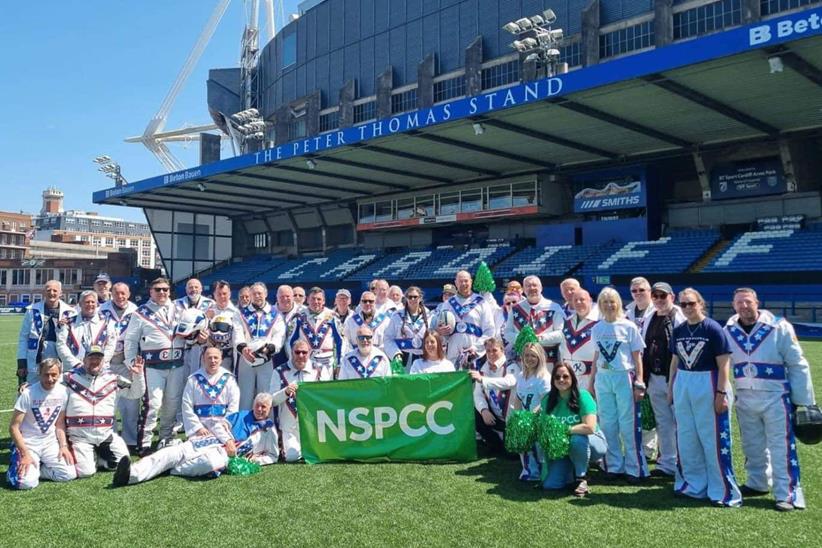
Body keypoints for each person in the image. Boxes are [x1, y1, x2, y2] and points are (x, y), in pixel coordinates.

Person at [725, 287, 815, 511]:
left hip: (776, 396)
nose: (744, 306)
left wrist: (804, 400)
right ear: (733, 305)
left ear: (757, 302)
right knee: (752, 444)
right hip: (745, 396)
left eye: (748, 301)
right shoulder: (728, 329)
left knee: (781, 446)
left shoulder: (778, 326)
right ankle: (757, 483)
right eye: (739, 303)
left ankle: (788, 494)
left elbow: (797, 363)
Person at [668, 287, 741, 507]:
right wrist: (671, 387)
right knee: (687, 436)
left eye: (691, 303)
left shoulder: (713, 328)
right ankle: (693, 484)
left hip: (708, 381)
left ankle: (722, 490)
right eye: (684, 304)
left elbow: (724, 363)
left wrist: (721, 392)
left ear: (700, 303)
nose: (688, 308)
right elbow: (674, 361)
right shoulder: (679, 330)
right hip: (684, 381)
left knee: (712, 437)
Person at [113, 392, 279, 486]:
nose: (259, 409)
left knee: (212, 464)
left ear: (270, 409)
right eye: (257, 405)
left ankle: (172, 470)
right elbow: (218, 426)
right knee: (172, 452)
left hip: (224, 456)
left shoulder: (269, 429)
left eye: (264, 406)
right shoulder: (241, 415)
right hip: (209, 442)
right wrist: (228, 440)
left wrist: (256, 461)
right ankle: (129, 474)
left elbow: (273, 456)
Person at [590, 287, 648, 482]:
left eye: (612, 301)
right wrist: (591, 382)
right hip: (603, 378)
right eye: (604, 302)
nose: (609, 305)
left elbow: (637, 356)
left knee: (628, 423)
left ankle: (634, 468)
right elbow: (596, 356)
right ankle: (613, 465)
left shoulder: (629, 326)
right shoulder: (597, 328)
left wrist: (639, 380)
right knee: (607, 422)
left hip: (624, 376)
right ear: (600, 305)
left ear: (619, 303)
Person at [123, 277, 186, 455]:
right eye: (157, 289)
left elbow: (190, 332)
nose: (162, 293)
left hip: (177, 364)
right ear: (150, 291)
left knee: (172, 404)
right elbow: (131, 340)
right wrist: (131, 363)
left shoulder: (180, 310)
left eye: (165, 289)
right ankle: (144, 443)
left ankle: (166, 438)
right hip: (152, 365)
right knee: (153, 404)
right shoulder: (141, 312)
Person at [65, 346, 146, 477]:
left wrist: (138, 376)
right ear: (84, 360)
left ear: (103, 361)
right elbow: (49, 384)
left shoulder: (114, 379)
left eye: (98, 358)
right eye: (91, 358)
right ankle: (91, 456)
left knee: (124, 461)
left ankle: (100, 460)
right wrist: (27, 385)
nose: (95, 361)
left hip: (106, 435)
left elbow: (136, 393)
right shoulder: (69, 378)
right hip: (80, 436)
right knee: (86, 472)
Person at [7, 358, 76, 489]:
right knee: (25, 483)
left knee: (68, 474)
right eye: (46, 374)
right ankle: (17, 467)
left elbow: (60, 423)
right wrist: (25, 453)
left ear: (60, 374)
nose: (50, 379)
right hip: (28, 443)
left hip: (50, 442)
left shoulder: (63, 392)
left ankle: (39, 470)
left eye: (54, 375)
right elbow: (13, 427)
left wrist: (63, 446)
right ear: (39, 373)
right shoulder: (28, 393)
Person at [541, 362, 607, 497]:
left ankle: (582, 477)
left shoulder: (583, 396)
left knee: (577, 439)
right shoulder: (548, 399)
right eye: (557, 377)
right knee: (551, 485)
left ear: (572, 378)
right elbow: (545, 430)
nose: (561, 380)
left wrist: (564, 429)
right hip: (564, 447)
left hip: (593, 442)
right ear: (553, 380)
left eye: (565, 376)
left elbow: (589, 427)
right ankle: (571, 470)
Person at [640, 282, 685, 476]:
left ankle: (684, 464)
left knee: (681, 422)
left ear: (672, 297)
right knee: (663, 422)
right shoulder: (650, 317)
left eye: (663, 296)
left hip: (674, 377)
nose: (659, 299)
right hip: (655, 378)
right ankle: (667, 463)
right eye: (656, 296)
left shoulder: (679, 317)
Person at [271, 339, 331, 462]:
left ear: (309, 353)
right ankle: (285, 448)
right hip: (290, 427)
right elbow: (272, 400)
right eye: (297, 352)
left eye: (304, 352)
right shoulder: (279, 371)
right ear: (291, 352)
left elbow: (327, 396)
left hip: (313, 425)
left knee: (320, 456)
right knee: (292, 457)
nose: (301, 356)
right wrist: (285, 392)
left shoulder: (320, 370)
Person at [99, 282, 140, 451]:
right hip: (106, 363)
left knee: (131, 403)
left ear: (129, 294)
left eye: (123, 293)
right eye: (116, 293)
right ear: (111, 293)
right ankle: (112, 440)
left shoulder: (135, 310)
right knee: (108, 403)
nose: (120, 296)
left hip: (127, 362)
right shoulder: (101, 309)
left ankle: (130, 440)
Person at [236, 282, 286, 410]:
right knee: (244, 394)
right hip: (246, 359)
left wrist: (269, 349)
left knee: (265, 393)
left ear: (266, 294)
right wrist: (243, 349)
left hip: (266, 359)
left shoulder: (276, 314)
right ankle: (244, 426)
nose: (257, 296)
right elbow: (237, 333)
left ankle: (266, 425)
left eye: (260, 293)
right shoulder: (241, 313)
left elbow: (279, 335)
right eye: (254, 294)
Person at [17, 280, 74, 385]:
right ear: (44, 292)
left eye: (55, 290)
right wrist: (21, 362)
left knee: (58, 390)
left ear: (61, 293)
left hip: (60, 358)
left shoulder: (71, 313)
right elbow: (23, 338)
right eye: (48, 290)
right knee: (31, 390)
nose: (51, 293)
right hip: (35, 358)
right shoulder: (32, 310)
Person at [434, 270, 496, 366]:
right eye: (460, 281)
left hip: (476, 355)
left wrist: (476, 348)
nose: (463, 284)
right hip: (453, 355)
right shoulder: (448, 304)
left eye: (466, 281)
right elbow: (441, 330)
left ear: (471, 282)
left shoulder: (481, 302)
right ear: (456, 283)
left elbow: (490, 330)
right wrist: (441, 333)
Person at [510, 342, 552, 481]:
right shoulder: (521, 376)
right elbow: (517, 398)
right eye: (526, 355)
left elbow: (545, 402)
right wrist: (517, 417)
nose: (529, 358)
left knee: (538, 447)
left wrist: (531, 417)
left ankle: (540, 471)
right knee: (523, 441)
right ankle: (528, 470)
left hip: (539, 418)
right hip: (525, 418)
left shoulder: (543, 378)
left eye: (533, 355)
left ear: (540, 357)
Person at [469, 338, 518, 455]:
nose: (491, 354)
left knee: (511, 456)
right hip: (494, 415)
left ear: (502, 350)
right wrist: (483, 410)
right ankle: (494, 444)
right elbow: (477, 394)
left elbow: (509, 382)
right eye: (488, 351)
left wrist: (483, 380)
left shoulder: (511, 365)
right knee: (474, 413)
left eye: (494, 350)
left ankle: (503, 446)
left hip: (510, 419)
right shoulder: (483, 368)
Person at [181, 347, 241, 443]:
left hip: (223, 426)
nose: (213, 361)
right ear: (203, 360)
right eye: (209, 358)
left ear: (221, 359)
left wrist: (226, 423)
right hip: (200, 427)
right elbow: (186, 406)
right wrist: (198, 428)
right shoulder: (193, 380)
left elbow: (233, 405)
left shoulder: (230, 379)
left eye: (216, 358)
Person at [504, 275, 564, 365]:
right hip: (523, 363)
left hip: (548, 362)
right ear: (523, 290)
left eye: (534, 285)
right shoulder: (515, 309)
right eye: (528, 286)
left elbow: (561, 334)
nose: (532, 288)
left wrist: (537, 339)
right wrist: (523, 339)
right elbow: (507, 333)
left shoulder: (554, 307)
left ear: (541, 288)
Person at [288, 287, 345, 379]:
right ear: (307, 300)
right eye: (313, 299)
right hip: (306, 360)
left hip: (327, 361)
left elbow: (340, 342)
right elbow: (291, 342)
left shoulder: (332, 316)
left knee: (327, 390)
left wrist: (339, 364)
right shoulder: (298, 317)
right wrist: (293, 361)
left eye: (319, 299)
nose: (316, 302)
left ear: (324, 301)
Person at [56, 290, 116, 372]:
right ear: (80, 304)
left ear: (97, 304)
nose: (90, 304)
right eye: (87, 302)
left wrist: (101, 363)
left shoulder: (107, 322)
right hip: (73, 369)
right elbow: (61, 345)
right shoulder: (68, 323)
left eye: (93, 302)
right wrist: (76, 364)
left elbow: (111, 345)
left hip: (99, 369)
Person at [559, 289, 599, 392]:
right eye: (575, 300)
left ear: (590, 300)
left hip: (590, 377)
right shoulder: (567, 322)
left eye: (582, 300)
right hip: (569, 377)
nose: (578, 303)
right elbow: (562, 348)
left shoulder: (599, 322)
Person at [174, 278, 214, 377]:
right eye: (190, 287)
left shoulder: (211, 304)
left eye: (196, 287)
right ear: (186, 290)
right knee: (182, 379)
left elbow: (213, 323)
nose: (193, 289)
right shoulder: (176, 304)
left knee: (200, 377)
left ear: (201, 289)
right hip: (182, 346)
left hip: (202, 346)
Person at [384, 286, 430, 370]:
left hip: (424, 359)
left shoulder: (430, 316)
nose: (412, 299)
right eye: (410, 297)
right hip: (403, 359)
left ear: (420, 298)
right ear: (406, 298)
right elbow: (388, 338)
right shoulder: (396, 316)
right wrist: (395, 354)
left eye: (415, 297)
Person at [271, 285, 305, 370]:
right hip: (275, 355)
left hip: (296, 353)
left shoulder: (302, 312)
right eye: (281, 297)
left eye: (287, 296)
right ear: (277, 298)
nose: (285, 299)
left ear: (293, 297)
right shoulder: (269, 312)